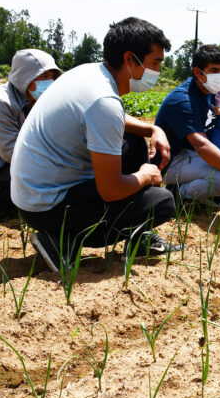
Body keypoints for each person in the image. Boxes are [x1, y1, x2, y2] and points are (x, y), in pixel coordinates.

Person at [11, 17, 181, 271]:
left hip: (32, 195)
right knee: (162, 202)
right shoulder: (103, 101)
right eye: (155, 63)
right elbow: (110, 190)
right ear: (130, 59)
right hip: (47, 206)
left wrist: (152, 129)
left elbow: (107, 117)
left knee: (134, 142)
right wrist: (145, 176)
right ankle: (61, 241)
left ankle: (136, 239)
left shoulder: (88, 73)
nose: (157, 72)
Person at [155, 44, 220, 205]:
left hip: (196, 154)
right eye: (214, 70)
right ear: (198, 72)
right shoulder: (183, 100)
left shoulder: (210, 92)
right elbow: (202, 145)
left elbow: (218, 122)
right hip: (174, 161)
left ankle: (212, 193)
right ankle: (177, 192)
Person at [0, 49, 61, 222]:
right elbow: (12, 153)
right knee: (46, 179)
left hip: (16, 161)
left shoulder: (36, 101)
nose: (50, 82)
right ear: (25, 77)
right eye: (44, 76)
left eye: (52, 76)